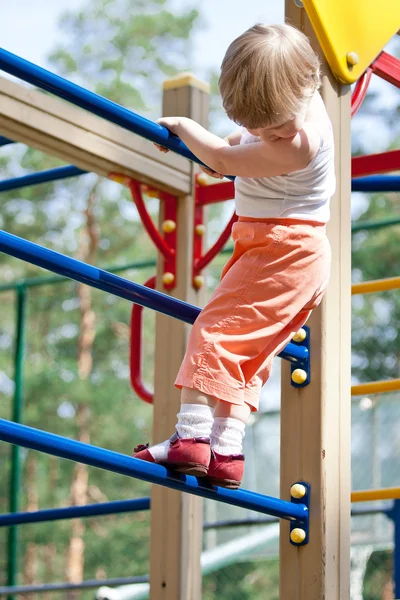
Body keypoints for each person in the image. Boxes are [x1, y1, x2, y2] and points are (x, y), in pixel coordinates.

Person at [133, 23, 335, 489]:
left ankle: (191, 438)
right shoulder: (302, 91)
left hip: (281, 248)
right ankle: (225, 450)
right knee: (247, 355)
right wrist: (214, 144)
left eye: (277, 126)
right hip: (292, 250)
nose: (274, 134)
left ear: (304, 87)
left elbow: (223, 161)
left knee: (214, 331)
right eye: (259, 128)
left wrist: (185, 129)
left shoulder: (301, 143)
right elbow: (236, 145)